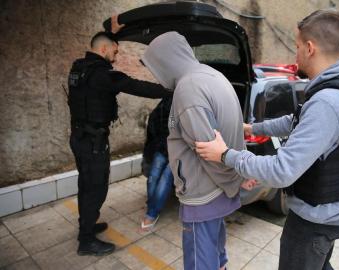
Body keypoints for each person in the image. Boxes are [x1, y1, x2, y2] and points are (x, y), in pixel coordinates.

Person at [195, 9, 339, 270]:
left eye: (298, 45)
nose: (296, 52)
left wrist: (225, 154)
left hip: (315, 222)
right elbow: (295, 121)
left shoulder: (327, 102)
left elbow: (281, 172)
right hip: (336, 210)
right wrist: (250, 128)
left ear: (310, 48)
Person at [141, 31, 256, 270]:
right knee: (215, 248)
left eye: (155, 66)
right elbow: (230, 131)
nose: (155, 74)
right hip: (215, 188)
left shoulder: (188, 89)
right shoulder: (212, 75)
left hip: (202, 191)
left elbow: (210, 150)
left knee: (199, 259)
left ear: (166, 61)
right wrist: (238, 174)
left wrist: (235, 178)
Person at [68, 16, 171, 256]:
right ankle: (86, 241)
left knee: (85, 184)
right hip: (93, 141)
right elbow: (137, 86)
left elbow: (103, 48)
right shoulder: (102, 74)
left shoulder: (79, 69)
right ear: (103, 50)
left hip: (79, 137)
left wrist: (113, 33)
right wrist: (171, 90)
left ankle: (87, 225)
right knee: (96, 188)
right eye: (114, 52)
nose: (116, 57)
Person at [141, 96, 174, 229]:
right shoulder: (167, 101)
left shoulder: (189, 106)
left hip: (179, 151)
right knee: (153, 178)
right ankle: (152, 206)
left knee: (165, 179)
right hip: (162, 147)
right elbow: (154, 120)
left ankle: (151, 213)